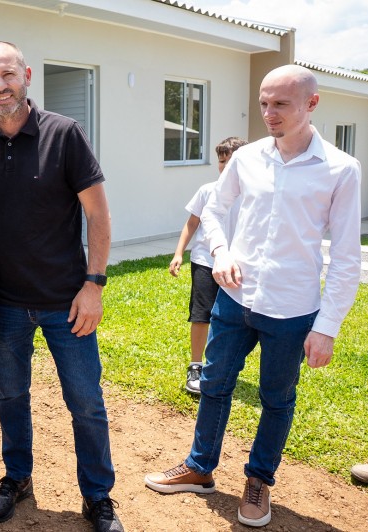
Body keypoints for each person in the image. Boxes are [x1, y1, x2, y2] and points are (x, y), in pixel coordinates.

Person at [145, 65, 362, 528]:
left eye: (280, 104)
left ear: (312, 104)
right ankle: (200, 468)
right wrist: (220, 251)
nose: (269, 113)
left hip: (292, 308)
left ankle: (258, 481)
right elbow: (215, 209)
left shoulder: (341, 169)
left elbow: (346, 257)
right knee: (214, 384)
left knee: (277, 399)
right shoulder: (248, 158)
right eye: (264, 103)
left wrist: (326, 328)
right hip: (234, 299)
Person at [0, 41, 123, 532]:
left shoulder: (65, 133)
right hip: (8, 306)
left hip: (66, 302)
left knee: (85, 402)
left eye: (7, 74)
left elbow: (98, 214)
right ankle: (18, 477)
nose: (0, 86)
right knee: (11, 397)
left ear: (27, 75)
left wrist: (94, 284)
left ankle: (97, 495)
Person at [169, 137, 248, 395]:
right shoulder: (207, 191)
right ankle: (196, 365)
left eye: (230, 161)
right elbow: (192, 223)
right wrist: (179, 253)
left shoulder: (252, 196)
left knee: (231, 318)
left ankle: (222, 365)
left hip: (235, 265)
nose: (224, 166)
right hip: (204, 260)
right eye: (221, 161)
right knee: (201, 314)